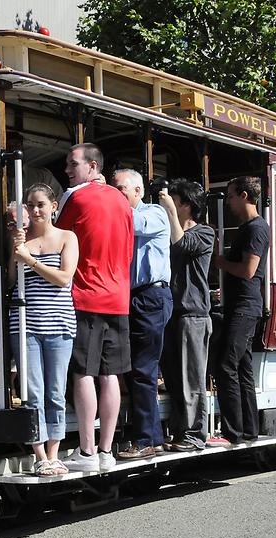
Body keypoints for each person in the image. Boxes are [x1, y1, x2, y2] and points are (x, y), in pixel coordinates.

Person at [56, 143, 134, 473]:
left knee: (83, 372)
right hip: (118, 297)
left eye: (73, 164)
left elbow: (55, 238)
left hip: (86, 295)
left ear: (92, 166)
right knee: (110, 374)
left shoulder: (75, 197)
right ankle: (106, 450)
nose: (68, 170)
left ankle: (86, 450)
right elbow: (130, 250)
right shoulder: (122, 200)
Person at [7, 184, 79, 476]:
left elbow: (64, 278)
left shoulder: (67, 238)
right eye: (31, 205)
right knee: (32, 392)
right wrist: (16, 254)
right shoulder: (21, 242)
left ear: (53, 207)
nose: (35, 210)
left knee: (55, 392)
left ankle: (54, 451)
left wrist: (31, 261)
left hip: (59, 324)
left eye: (40, 205)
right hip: (24, 325)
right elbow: (12, 282)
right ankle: (40, 455)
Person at [111, 169, 172, 460]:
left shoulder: (155, 213)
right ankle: (153, 437)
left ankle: (145, 439)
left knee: (144, 369)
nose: (115, 194)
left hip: (151, 295)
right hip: (131, 296)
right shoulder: (124, 212)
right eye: (113, 189)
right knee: (135, 369)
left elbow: (132, 224)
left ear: (138, 191)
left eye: (121, 189)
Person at [210, 176, 270, 447]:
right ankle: (249, 429)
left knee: (226, 366)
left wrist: (221, 262)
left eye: (231, 196)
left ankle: (232, 432)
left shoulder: (256, 229)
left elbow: (248, 271)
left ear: (244, 196)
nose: (229, 201)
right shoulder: (250, 227)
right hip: (242, 305)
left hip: (245, 308)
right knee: (243, 368)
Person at [158, 178, 214, 451]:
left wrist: (167, 209)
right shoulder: (171, 230)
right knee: (174, 378)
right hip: (172, 312)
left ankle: (194, 435)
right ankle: (180, 431)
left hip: (193, 314)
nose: (170, 203)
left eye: (174, 200)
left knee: (191, 378)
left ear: (186, 205)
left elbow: (181, 244)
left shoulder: (205, 233)